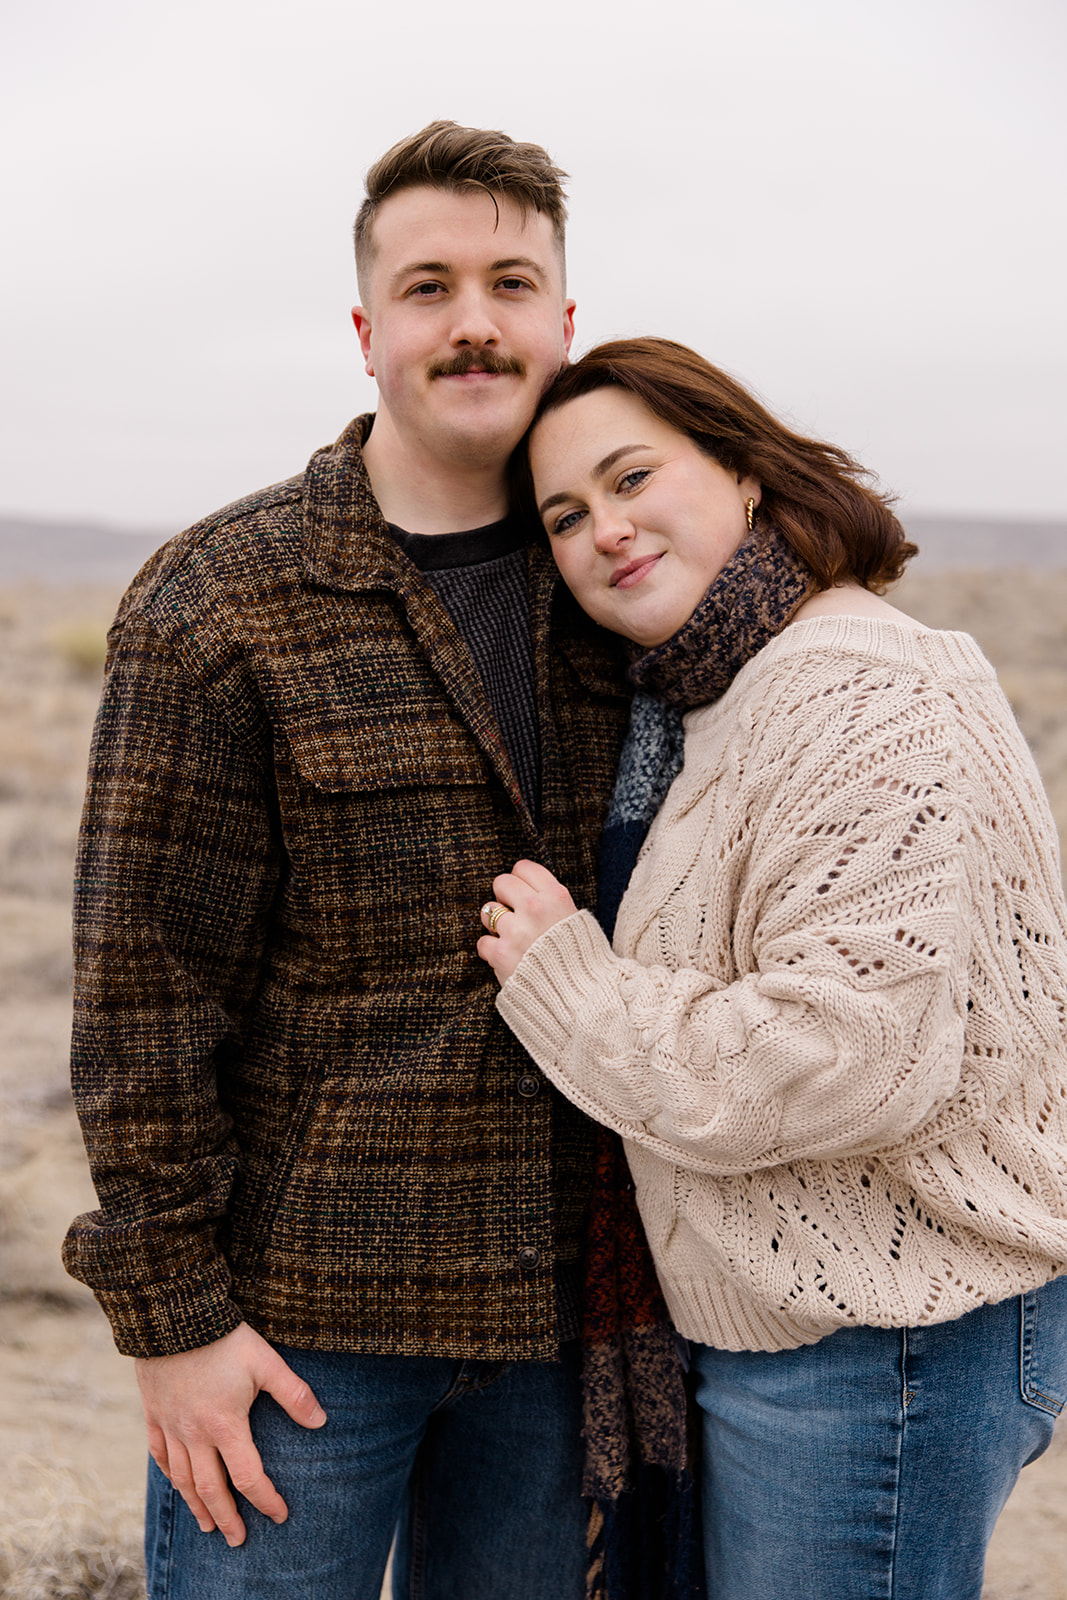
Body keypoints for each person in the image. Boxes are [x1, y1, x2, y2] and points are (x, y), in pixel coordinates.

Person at [62, 123, 632, 1600]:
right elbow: (142, 995)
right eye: (428, 286)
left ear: (563, 323)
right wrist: (174, 1321)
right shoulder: (219, 600)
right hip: (298, 1327)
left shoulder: (625, 584)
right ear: (368, 330)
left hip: (568, 1317)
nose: (472, 321)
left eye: (510, 284)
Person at [478, 337, 1067, 1600]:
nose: (604, 529)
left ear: (743, 471)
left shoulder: (855, 692)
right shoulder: (716, 691)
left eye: (633, 476)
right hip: (823, 1320)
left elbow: (849, 1053)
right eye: (565, 515)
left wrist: (573, 996)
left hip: (884, 1336)